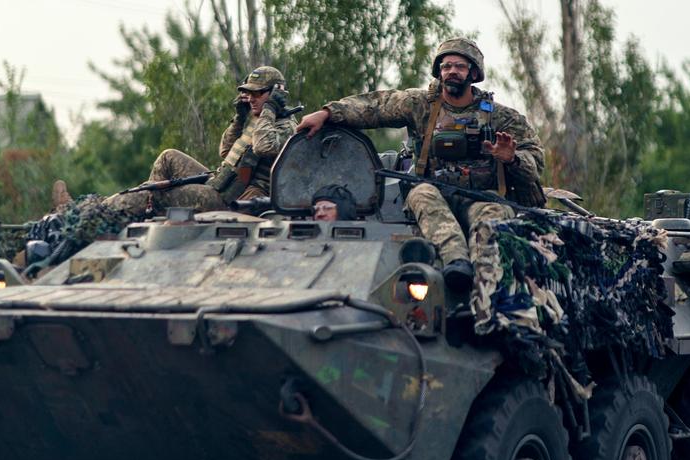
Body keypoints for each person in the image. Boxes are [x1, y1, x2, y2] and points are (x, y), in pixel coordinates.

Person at [296, 37, 545, 290]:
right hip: (434, 193)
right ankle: (456, 263)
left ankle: (489, 294)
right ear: (439, 71)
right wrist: (327, 113)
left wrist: (512, 159)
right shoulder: (420, 105)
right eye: (446, 66)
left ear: (473, 72)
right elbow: (374, 106)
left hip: (482, 197)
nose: (452, 72)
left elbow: (534, 163)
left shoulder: (501, 117)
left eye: (459, 66)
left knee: (493, 217)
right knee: (421, 194)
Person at [104, 66, 298, 217]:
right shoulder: (258, 118)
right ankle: (146, 210)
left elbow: (264, 147)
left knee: (157, 194)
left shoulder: (285, 126)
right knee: (168, 157)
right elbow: (225, 151)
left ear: (276, 94)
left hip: (235, 200)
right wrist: (240, 118)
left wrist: (270, 108)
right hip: (220, 184)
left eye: (258, 93)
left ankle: (106, 211)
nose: (251, 98)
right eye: (249, 93)